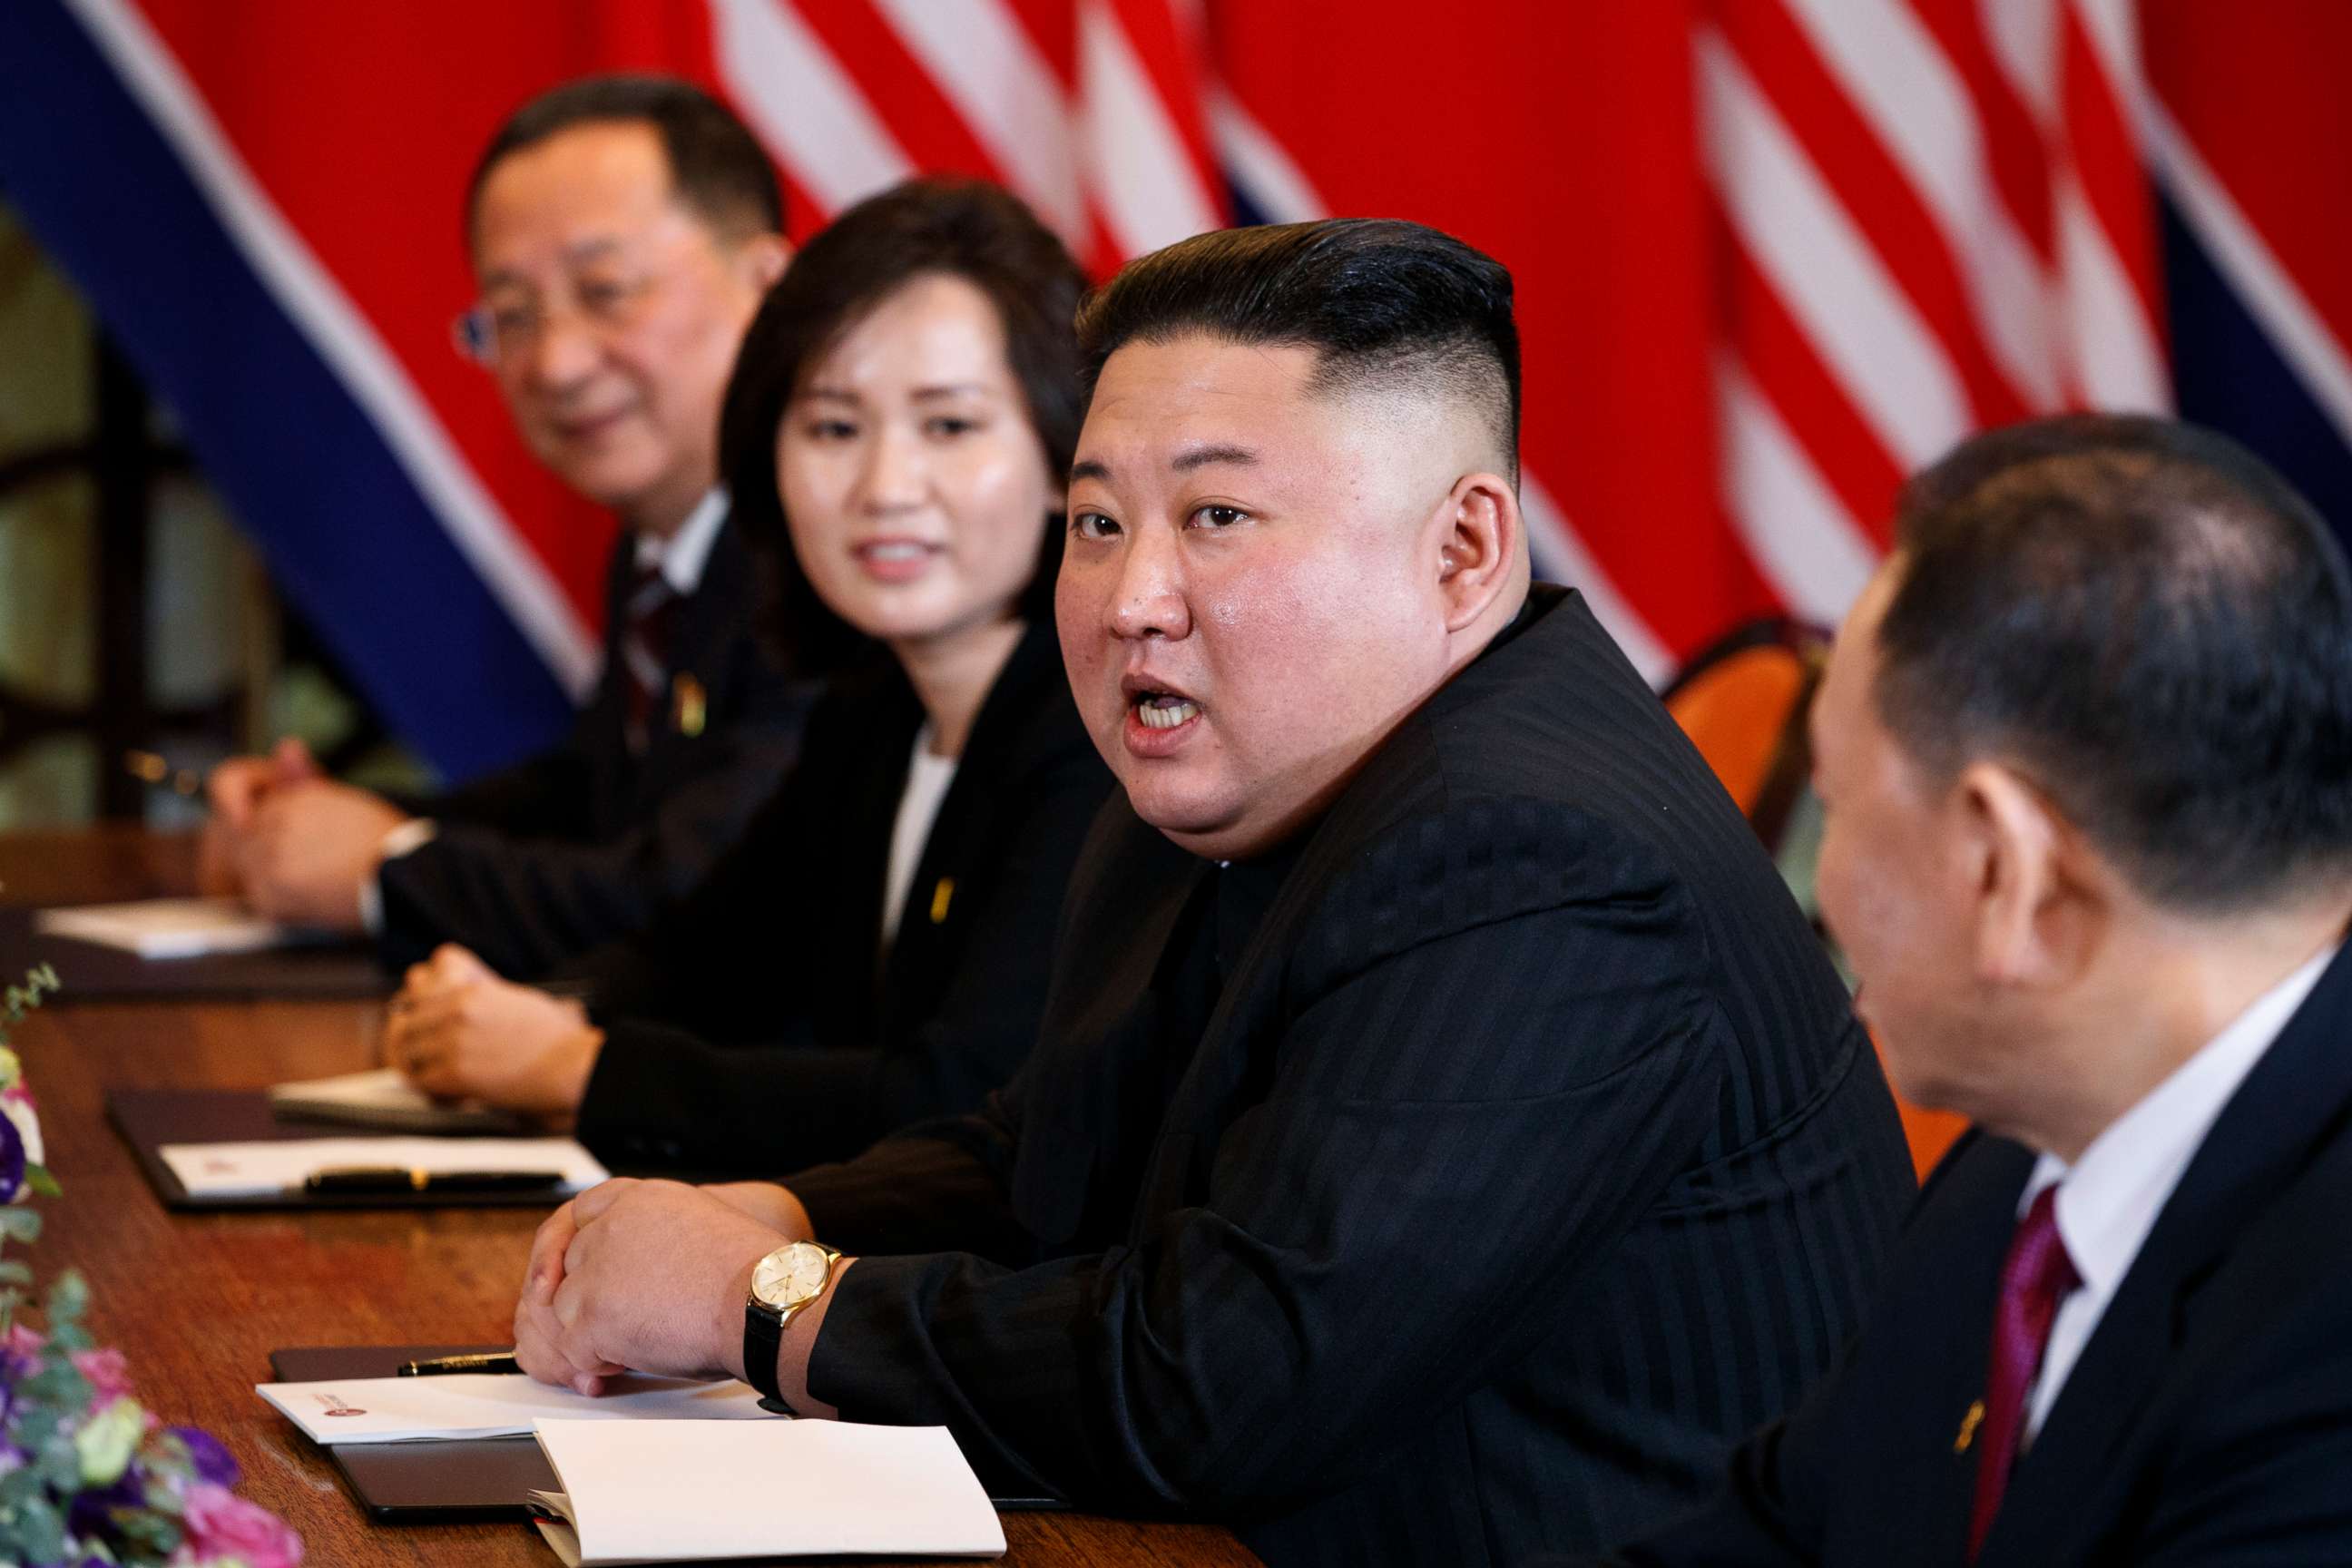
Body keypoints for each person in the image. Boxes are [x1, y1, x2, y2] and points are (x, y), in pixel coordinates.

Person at [505, 219, 1917, 1566]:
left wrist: (759, 1302)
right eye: (1099, 523)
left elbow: (1229, 1381)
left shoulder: (1539, 858)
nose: (1132, 601)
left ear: (1466, 550)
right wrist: (780, 1214)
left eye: (1218, 516)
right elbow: (1054, 1154)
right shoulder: (1226, 776)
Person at [1564, 416, 2352, 1566]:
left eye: (1833, 806)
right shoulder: (2013, 1170)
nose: (1816, 888)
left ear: (2007, 872)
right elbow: (1776, 1542)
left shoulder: (2323, 1345)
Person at [379, 179, 1113, 1174]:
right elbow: (702, 956)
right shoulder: (875, 706)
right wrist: (514, 1015)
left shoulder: (1102, 733)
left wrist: (577, 1068)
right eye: (833, 429)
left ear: (1063, 457)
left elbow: (956, 1101)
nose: (885, 488)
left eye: (949, 426)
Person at [202, 75, 806, 978]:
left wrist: (383, 868)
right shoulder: (665, 547)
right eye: (513, 316)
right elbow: (604, 801)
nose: (555, 363)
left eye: (605, 289)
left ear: (766, 284)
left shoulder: (833, 554)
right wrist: (328, 821)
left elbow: (706, 890)